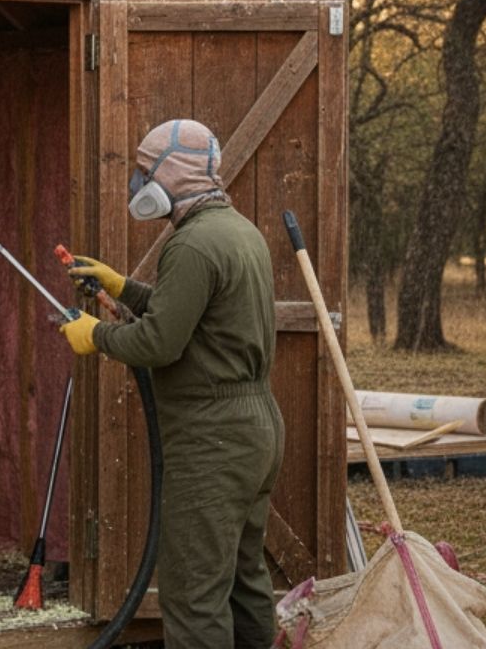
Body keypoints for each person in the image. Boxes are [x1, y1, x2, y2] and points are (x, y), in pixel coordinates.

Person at [60, 119, 284, 649]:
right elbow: (193, 314)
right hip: (255, 428)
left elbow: (161, 344)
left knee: (193, 593)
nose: (137, 186)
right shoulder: (237, 231)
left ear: (173, 173)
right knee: (244, 579)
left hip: (214, 437)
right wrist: (123, 287)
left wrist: (96, 335)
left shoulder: (191, 244)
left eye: (143, 172)